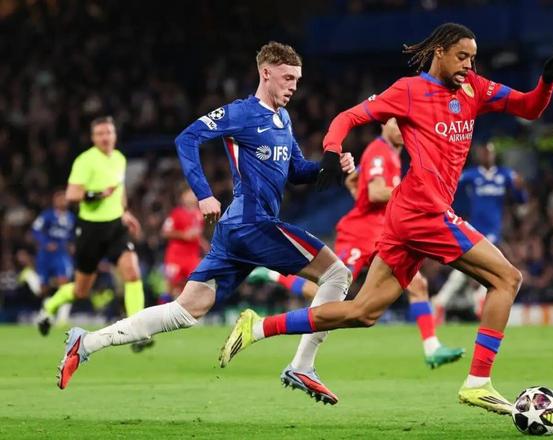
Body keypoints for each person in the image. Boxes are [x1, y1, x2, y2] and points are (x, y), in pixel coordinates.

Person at [220, 23, 553, 415]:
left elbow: (529, 108)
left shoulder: (475, 88)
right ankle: (478, 382)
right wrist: (332, 150)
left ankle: (258, 327)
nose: (469, 66)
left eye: (473, 58)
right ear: (439, 52)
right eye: (462, 57)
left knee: (363, 312)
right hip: (424, 212)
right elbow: (348, 117)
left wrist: (547, 82)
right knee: (507, 278)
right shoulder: (409, 91)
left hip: (407, 215)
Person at [54, 42, 355, 394]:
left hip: (237, 230)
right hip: (252, 222)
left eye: (297, 80)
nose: (293, 86)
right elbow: (187, 139)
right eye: (287, 77)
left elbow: (296, 171)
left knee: (185, 310)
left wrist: (330, 168)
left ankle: (86, 342)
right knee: (337, 274)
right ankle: (302, 365)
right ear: (266, 73)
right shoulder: (241, 113)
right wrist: (203, 193)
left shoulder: (283, 119)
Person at [249, 119, 464, 403]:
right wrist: (412, 193)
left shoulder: (392, 155)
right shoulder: (379, 151)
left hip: (386, 232)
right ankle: (274, 277)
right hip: (360, 233)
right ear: (383, 124)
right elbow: (375, 192)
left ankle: (431, 347)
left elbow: (357, 180)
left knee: (417, 284)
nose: (402, 128)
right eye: (396, 122)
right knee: (332, 290)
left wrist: (358, 186)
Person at [36, 117, 149, 354]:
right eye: (100, 133)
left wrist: (125, 212)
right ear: (93, 138)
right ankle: (49, 307)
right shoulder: (85, 161)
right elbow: (71, 195)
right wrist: (97, 194)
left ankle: (137, 331)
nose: (105, 137)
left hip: (115, 227)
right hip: (91, 230)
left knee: (132, 272)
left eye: (108, 132)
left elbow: (119, 191)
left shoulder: (119, 158)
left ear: (114, 135)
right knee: (81, 290)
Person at [434, 142, 527, 319]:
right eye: (484, 153)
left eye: (489, 152)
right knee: (478, 268)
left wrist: (520, 189)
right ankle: (469, 299)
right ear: (478, 156)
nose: (487, 156)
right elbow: (452, 187)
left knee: (490, 267)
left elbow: (521, 200)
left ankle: (446, 300)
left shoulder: (505, 175)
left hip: (494, 230)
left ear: (494, 154)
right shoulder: (471, 175)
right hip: (475, 228)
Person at [160, 187, 208, 303]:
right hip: (175, 256)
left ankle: (189, 310)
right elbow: (165, 232)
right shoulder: (176, 213)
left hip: (192, 257)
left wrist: (205, 245)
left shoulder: (199, 215)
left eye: (193, 194)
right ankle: (162, 309)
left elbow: (197, 234)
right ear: (183, 197)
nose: (191, 197)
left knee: (195, 284)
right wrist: (183, 235)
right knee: (170, 286)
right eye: (188, 195)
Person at [32, 190, 76, 300]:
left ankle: (63, 309)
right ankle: (46, 305)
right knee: (43, 287)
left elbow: (74, 234)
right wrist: (45, 243)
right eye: (59, 199)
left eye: (64, 199)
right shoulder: (47, 215)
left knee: (64, 282)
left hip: (61, 253)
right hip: (45, 253)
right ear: (54, 201)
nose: (62, 201)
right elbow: (35, 230)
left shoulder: (71, 218)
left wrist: (72, 245)